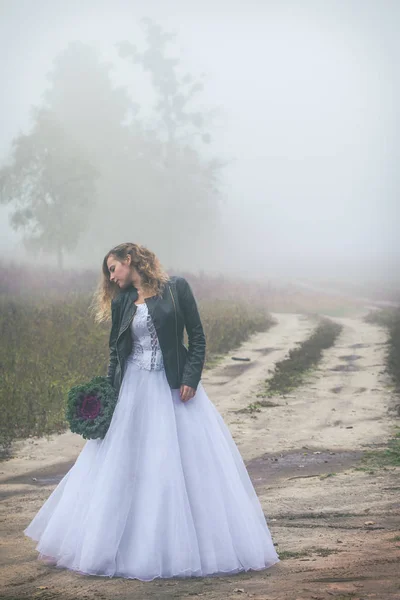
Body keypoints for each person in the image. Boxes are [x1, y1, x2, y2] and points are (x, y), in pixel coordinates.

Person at [24, 242, 279, 580]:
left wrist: (190, 377)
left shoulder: (178, 289)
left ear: (129, 260)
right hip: (133, 390)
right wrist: (108, 397)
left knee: (177, 465)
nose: (111, 277)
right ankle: (109, 546)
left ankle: (183, 547)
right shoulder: (123, 302)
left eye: (113, 268)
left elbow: (198, 337)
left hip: (174, 388)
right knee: (121, 464)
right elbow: (116, 353)